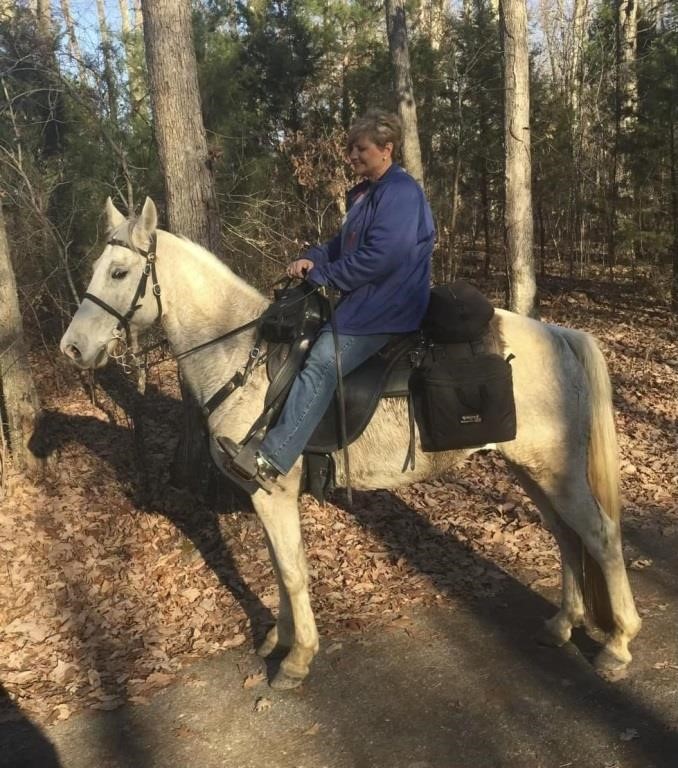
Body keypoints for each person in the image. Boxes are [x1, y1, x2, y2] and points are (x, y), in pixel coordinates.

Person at [223, 109, 435, 492]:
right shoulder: (365, 193)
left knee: (322, 362)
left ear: (386, 149)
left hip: (388, 307)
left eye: (360, 149)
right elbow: (342, 245)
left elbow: (383, 256)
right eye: (350, 148)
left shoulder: (401, 193)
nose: (352, 156)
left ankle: (271, 459)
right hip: (365, 300)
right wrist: (314, 258)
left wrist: (327, 275)